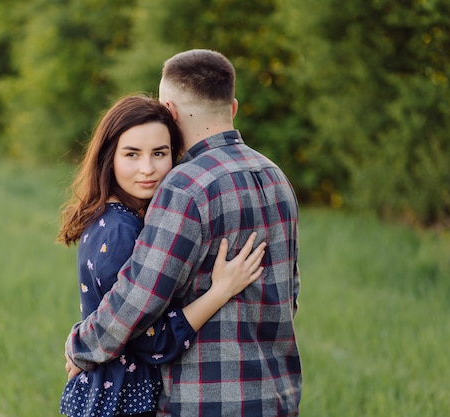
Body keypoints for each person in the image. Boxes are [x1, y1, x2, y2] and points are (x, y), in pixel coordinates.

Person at [65, 50, 302, 417]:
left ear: (169, 112)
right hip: (276, 396)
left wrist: (80, 346)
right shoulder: (275, 178)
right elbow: (290, 296)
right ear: (233, 107)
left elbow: (136, 300)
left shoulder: (184, 185)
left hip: (204, 401)